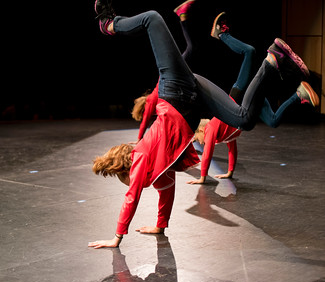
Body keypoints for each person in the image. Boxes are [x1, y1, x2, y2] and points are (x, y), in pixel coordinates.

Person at [89, 2, 310, 248]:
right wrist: (161, 225)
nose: (132, 183)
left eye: (126, 180)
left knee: (152, 18)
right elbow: (167, 191)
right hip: (193, 95)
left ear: (125, 171)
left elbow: (131, 198)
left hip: (175, 89)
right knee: (244, 119)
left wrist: (117, 237)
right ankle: (271, 60)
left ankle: (109, 24)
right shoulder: (159, 167)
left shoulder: (140, 159)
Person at [132, 4, 319, 182]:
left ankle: (226, 36)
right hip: (247, 102)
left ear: (201, 132)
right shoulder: (227, 135)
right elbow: (231, 149)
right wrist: (229, 172)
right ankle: (298, 93)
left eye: (198, 139)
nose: (200, 143)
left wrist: (202, 177)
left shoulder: (212, 129)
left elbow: (207, 154)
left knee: (249, 52)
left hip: (237, 98)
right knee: (273, 120)